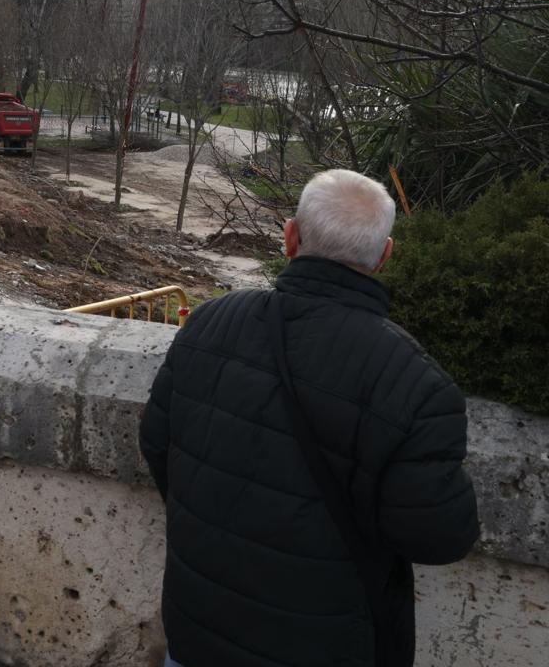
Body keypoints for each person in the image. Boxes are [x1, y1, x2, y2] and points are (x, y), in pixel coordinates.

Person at [140, 169, 479, 667]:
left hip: (199, 632)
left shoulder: (212, 320)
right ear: (384, 258)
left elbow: (156, 443)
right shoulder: (416, 384)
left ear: (290, 237)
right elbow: (440, 536)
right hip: (324, 645)